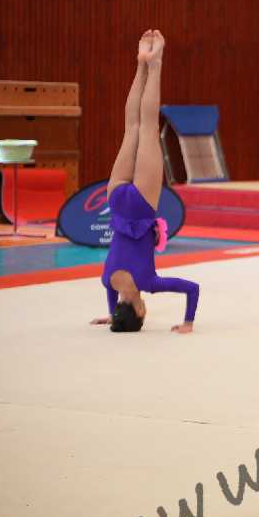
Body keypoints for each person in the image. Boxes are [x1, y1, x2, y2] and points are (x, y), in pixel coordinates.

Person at [90, 31, 199, 334]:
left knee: (148, 126)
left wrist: (188, 322)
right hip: (116, 199)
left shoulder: (148, 283)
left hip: (140, 204)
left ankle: (155, 62)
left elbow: (192, 288)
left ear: (140, 310)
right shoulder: (108, 280)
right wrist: (111, 315)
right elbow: (111, 294)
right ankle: (140, 63)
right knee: (132, 127)